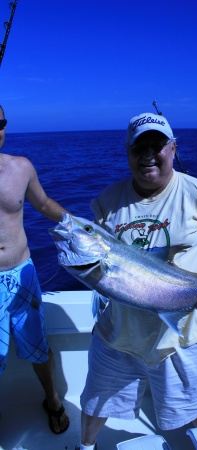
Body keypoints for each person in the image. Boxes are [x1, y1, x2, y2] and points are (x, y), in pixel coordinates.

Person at [76, 112, 197, 450]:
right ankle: (85, 447)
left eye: (157, 145)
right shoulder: (108, 200)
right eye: (139, 147)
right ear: (127, 152)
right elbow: (100, 264)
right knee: (94, 403)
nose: (148, 154)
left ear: (173, 149)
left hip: (180, 335)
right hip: (118, 332)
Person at [0, 104, 70, 434]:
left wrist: (77, 224)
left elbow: (43, 204)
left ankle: (52, 400)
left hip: (22, 274)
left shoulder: (21, 167)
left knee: (39, 346)